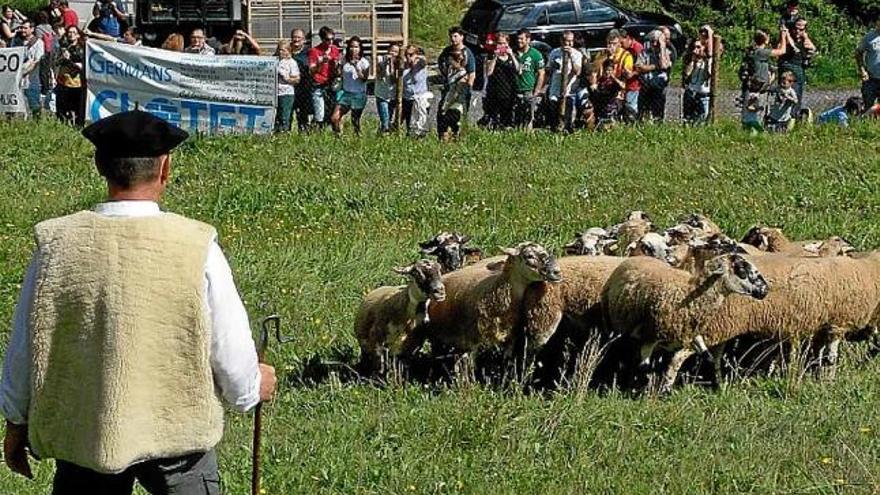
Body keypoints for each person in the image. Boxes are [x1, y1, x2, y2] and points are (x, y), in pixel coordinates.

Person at [0, 110, 277, 493]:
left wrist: (16, 420)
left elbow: (25, 344)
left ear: (99, 165)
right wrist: (251, 387)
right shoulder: (195, 246)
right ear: (165, 167)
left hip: (87, 434)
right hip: (177, 434)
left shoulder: (56, 245)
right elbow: (228, 347)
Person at [739, 29, 786, 126]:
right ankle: (755, 131)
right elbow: (782, 51)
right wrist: (783, 36)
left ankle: (749, 130)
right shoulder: (761, 52)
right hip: (759, 89)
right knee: (756, 113)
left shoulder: (752, 52)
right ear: (766, 39)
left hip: (752, 87)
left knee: (750, 113)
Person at [543, 31, 582, 132]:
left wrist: (571, 56)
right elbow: (548, 69)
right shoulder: (554, 53)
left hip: (569, 90)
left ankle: (567, 129)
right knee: (553, 107)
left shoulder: (577, 54)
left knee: (568, 112)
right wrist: (551, 67)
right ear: (561, 41)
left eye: (570, 41)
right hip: (555, 87)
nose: (568, 44)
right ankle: (555, 128)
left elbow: (577, 71)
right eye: (566, 41)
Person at [330, 36, 369, 135]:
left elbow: (364, 79)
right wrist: (337, 65)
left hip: (359, 94)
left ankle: (357, 137)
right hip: (346, 94)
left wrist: (356, 67)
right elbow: (338, 74)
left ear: (360, 49)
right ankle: (338, 137)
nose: (353, 49)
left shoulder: (364, 62)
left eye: (356, 47)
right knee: (334, 117)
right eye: (351, 47)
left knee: (355, 120)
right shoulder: (344, 59)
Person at [778, 16, 815, 117]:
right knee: (785, 100)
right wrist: (785, 34)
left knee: (797, 101)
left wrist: (806, 37)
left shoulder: (804, 40)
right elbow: (780, 49)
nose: (797, 31)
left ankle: (794, 119)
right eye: (796, 28)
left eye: (801, 29)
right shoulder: (787, 37)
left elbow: (812, 49)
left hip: (799, 74)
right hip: (788, 73)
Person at [437, 26, 475, 123]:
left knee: (458, 113)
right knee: (443, 113)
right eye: (451, 36)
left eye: (455, 36)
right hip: (449, 86)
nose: (453, 39)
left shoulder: (467, 53)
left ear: (462, 37)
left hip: (461, 87)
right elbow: (441, 65)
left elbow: (472, 73)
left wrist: (468, 87)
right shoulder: (446, 52)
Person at [481, 32, 518, 129]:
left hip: (509, 91)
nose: (502, 46)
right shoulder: (491, 57)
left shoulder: (512, 56)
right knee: (494, 116)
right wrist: (495, 56)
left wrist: (512, 55)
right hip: (495, 91)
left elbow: (519, 70)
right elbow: (489, 72)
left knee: (507, 116)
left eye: (504, 43)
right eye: (499, 43)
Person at [307, 26, 341, 128]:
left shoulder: (335, 50)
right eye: (327, 39)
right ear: (322, 39)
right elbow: (311, 70)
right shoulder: (314, 51)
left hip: (331, 84)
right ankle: (316, 131)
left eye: (332, 39)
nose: (330, 42)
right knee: (319, 114)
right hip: (319, 84)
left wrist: (336, 65)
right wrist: (320, 63)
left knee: (331, 112)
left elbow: (337, 70)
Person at [512, 28, 545, 129]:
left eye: (522, 39)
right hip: (514, 89)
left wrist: (537, 90)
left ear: (528, 40)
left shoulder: (535, 55)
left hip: (528, 90)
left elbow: (541, 73)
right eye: (518, 39)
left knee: (529, 116)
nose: (519, 41)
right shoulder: (513, 53)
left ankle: (527, 136)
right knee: (516, 117)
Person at [636, 30, 671, 121]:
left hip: (658, 87)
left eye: (657, 41)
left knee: (657, 114)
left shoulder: (666, 52)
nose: (655, 44)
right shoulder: (644, 52)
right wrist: (655, 66)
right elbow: (638, 68)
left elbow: (664, 65)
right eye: (652, 41)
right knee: (642, 113)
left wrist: (662, 47)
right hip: (646, 85)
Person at [55, 25, 85, 125]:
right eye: (69, 32)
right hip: (62, 82)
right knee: (61, 110)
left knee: (77, 110)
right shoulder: (64, 46)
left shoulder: (82, 49)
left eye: (74, 33)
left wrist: (69, 59)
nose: (71, 35)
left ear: (78, 35)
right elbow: (56, 62)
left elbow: (81, 67)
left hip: (75, 84)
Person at [437, 51, 468, 141]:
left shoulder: (462, 75)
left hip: (454, 106)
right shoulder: (451, 72)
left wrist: (445, 107)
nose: (449, 62)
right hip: (446, 103)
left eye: (450, 60)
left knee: (453, 130)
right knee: (443, 129)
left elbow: (456, 94)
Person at [401, 44, 431, 137]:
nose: (408, 57)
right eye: (406, 55)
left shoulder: (421, 65)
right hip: (407, 98)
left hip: (420, 98)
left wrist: (416, 57)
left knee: (420, 123)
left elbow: (425, 59)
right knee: (409, 123)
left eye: (410, 54)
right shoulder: (404, 67)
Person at [682, 39, 711, 124]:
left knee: (702, 119)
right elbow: (687, 74)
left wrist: (705, 61)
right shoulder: (691, 60)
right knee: (688, 119)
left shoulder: (708, 62)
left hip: (703, 94)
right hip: (691, 92)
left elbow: (707, 76)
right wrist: (693, 61)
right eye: (694, 47)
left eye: (698, 47)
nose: (696, 50)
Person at [374, 42, 400, 134]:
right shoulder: (380, 59)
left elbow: (394, 80)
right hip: (382, 94)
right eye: (392, 51)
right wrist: (386, 63)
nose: (393, 53)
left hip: (392, 95)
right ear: (388, 51)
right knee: (385, 121)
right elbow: (380, 75)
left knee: (388, 118)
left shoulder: (398, 63)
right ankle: (384, 133)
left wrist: (392, 65)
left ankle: (381, 134)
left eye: (396, 52)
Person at [289, 28, 312, 131]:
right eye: (294, 37)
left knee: (303, 115)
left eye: (299, 37)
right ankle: (285, 134)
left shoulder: (309, 52)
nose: (296, 39)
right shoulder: (286, 50)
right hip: (288, 88)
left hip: (304, 89)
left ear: (303, 39)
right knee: (287, 114)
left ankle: (304, 135)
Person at [275, 39, 300, 132]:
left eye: (283, 50)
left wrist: (286, 78)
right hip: (275, 93)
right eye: (279, 50)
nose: (281, 52)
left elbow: (296, 79)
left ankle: (284, 133)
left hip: (286, 93)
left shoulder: (291, 62)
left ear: (288, 51)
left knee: (284, 115)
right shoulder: (276, 61)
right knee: (276, 115)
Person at [855, 17, 880, 107]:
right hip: (871, 79)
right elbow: (858, 53)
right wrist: (862, 71)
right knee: (868, 106)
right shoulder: (869, 37)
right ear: (877, 22)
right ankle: (868, 121)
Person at [620, 31, 642, 121]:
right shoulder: (625, 49)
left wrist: (631, 73)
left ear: (628, 38)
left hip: (634, 83)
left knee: (631, 106)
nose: (621, 45)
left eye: (622, 42)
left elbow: (641, 66)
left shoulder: (637, 48)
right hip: (625, 82)